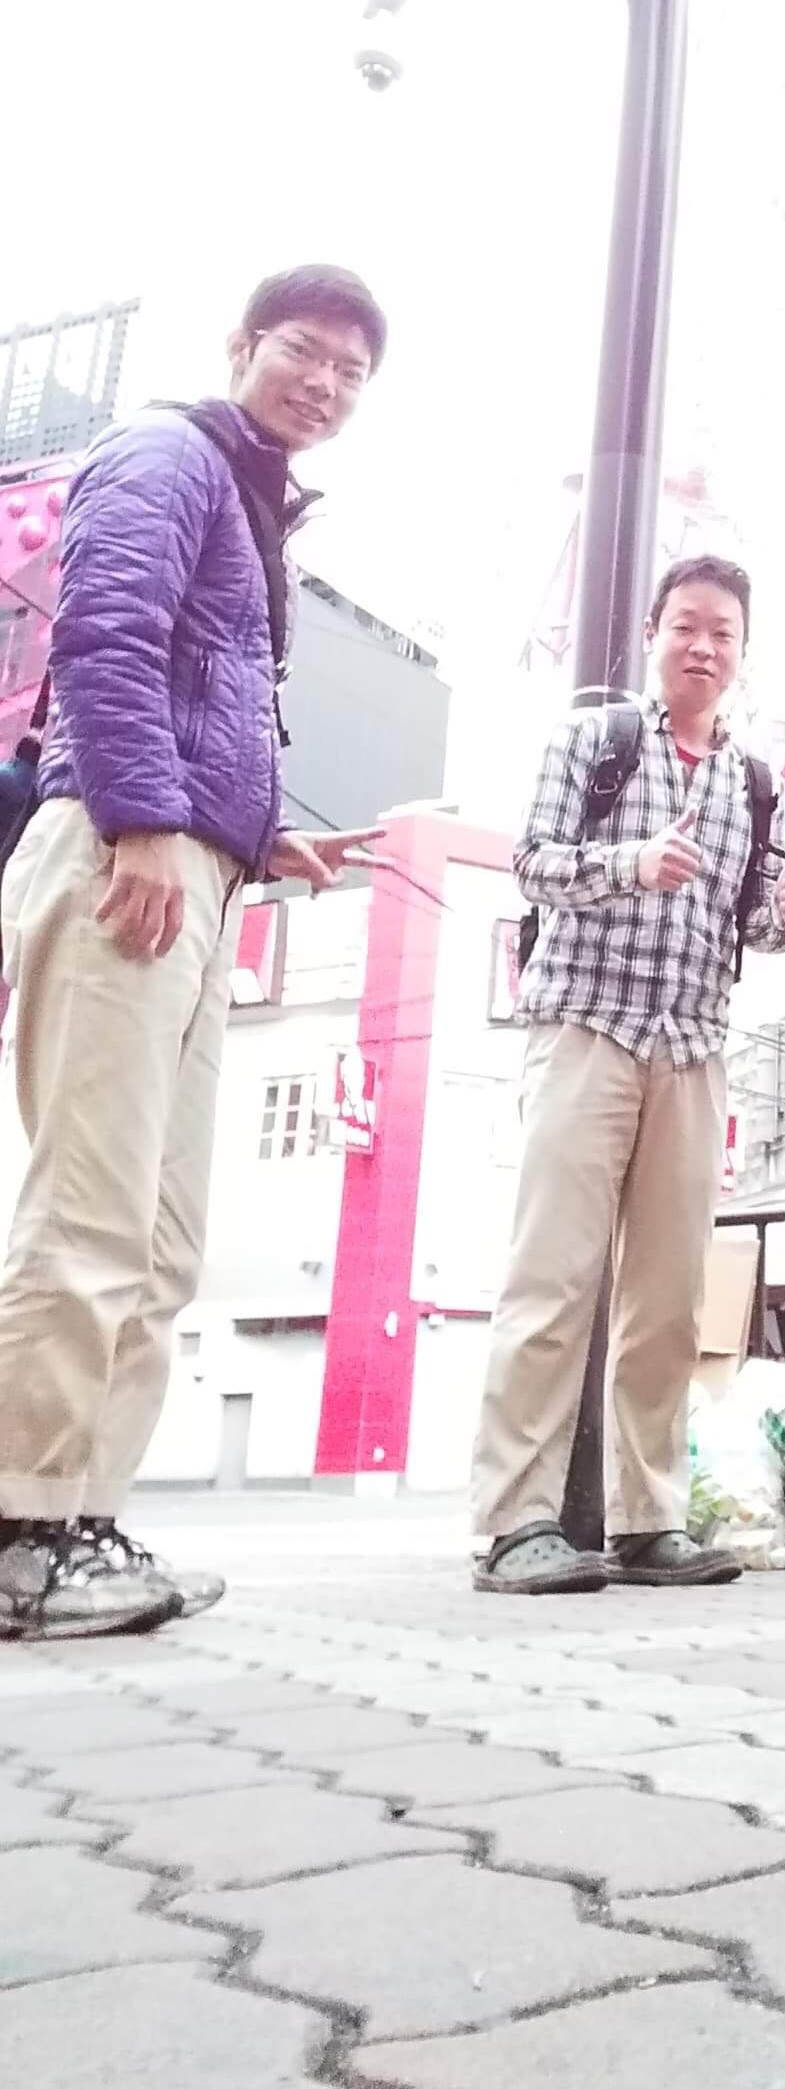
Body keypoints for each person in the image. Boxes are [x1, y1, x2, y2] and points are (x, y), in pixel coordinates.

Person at [0, 265, 390, 1642]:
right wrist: (149, 822)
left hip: (196, 876)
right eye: (308, 352)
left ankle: (82, 1516)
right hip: (121, 860)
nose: (326, 383)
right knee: (91, 1207)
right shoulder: (165, 451)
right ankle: (17, 1524)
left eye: (353, 372)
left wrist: (257, 832)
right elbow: (105, 636)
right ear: (244, 343)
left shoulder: (247, 494)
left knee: (162, 1237)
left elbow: (196, 685)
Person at [471, 553, 785, 1595]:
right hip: (584, 1029)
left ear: (743, 655)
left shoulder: (756, 779)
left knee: (668, 1299)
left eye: (723, 633)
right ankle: (514, 1524)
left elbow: (750, 920)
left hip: (694, 1045)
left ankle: (646, 1518)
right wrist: (629, 863)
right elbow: (528, 862)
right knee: (553, 1279)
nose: (703, 646)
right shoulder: (594, 741)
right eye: (687, 626)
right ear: (653, 636)